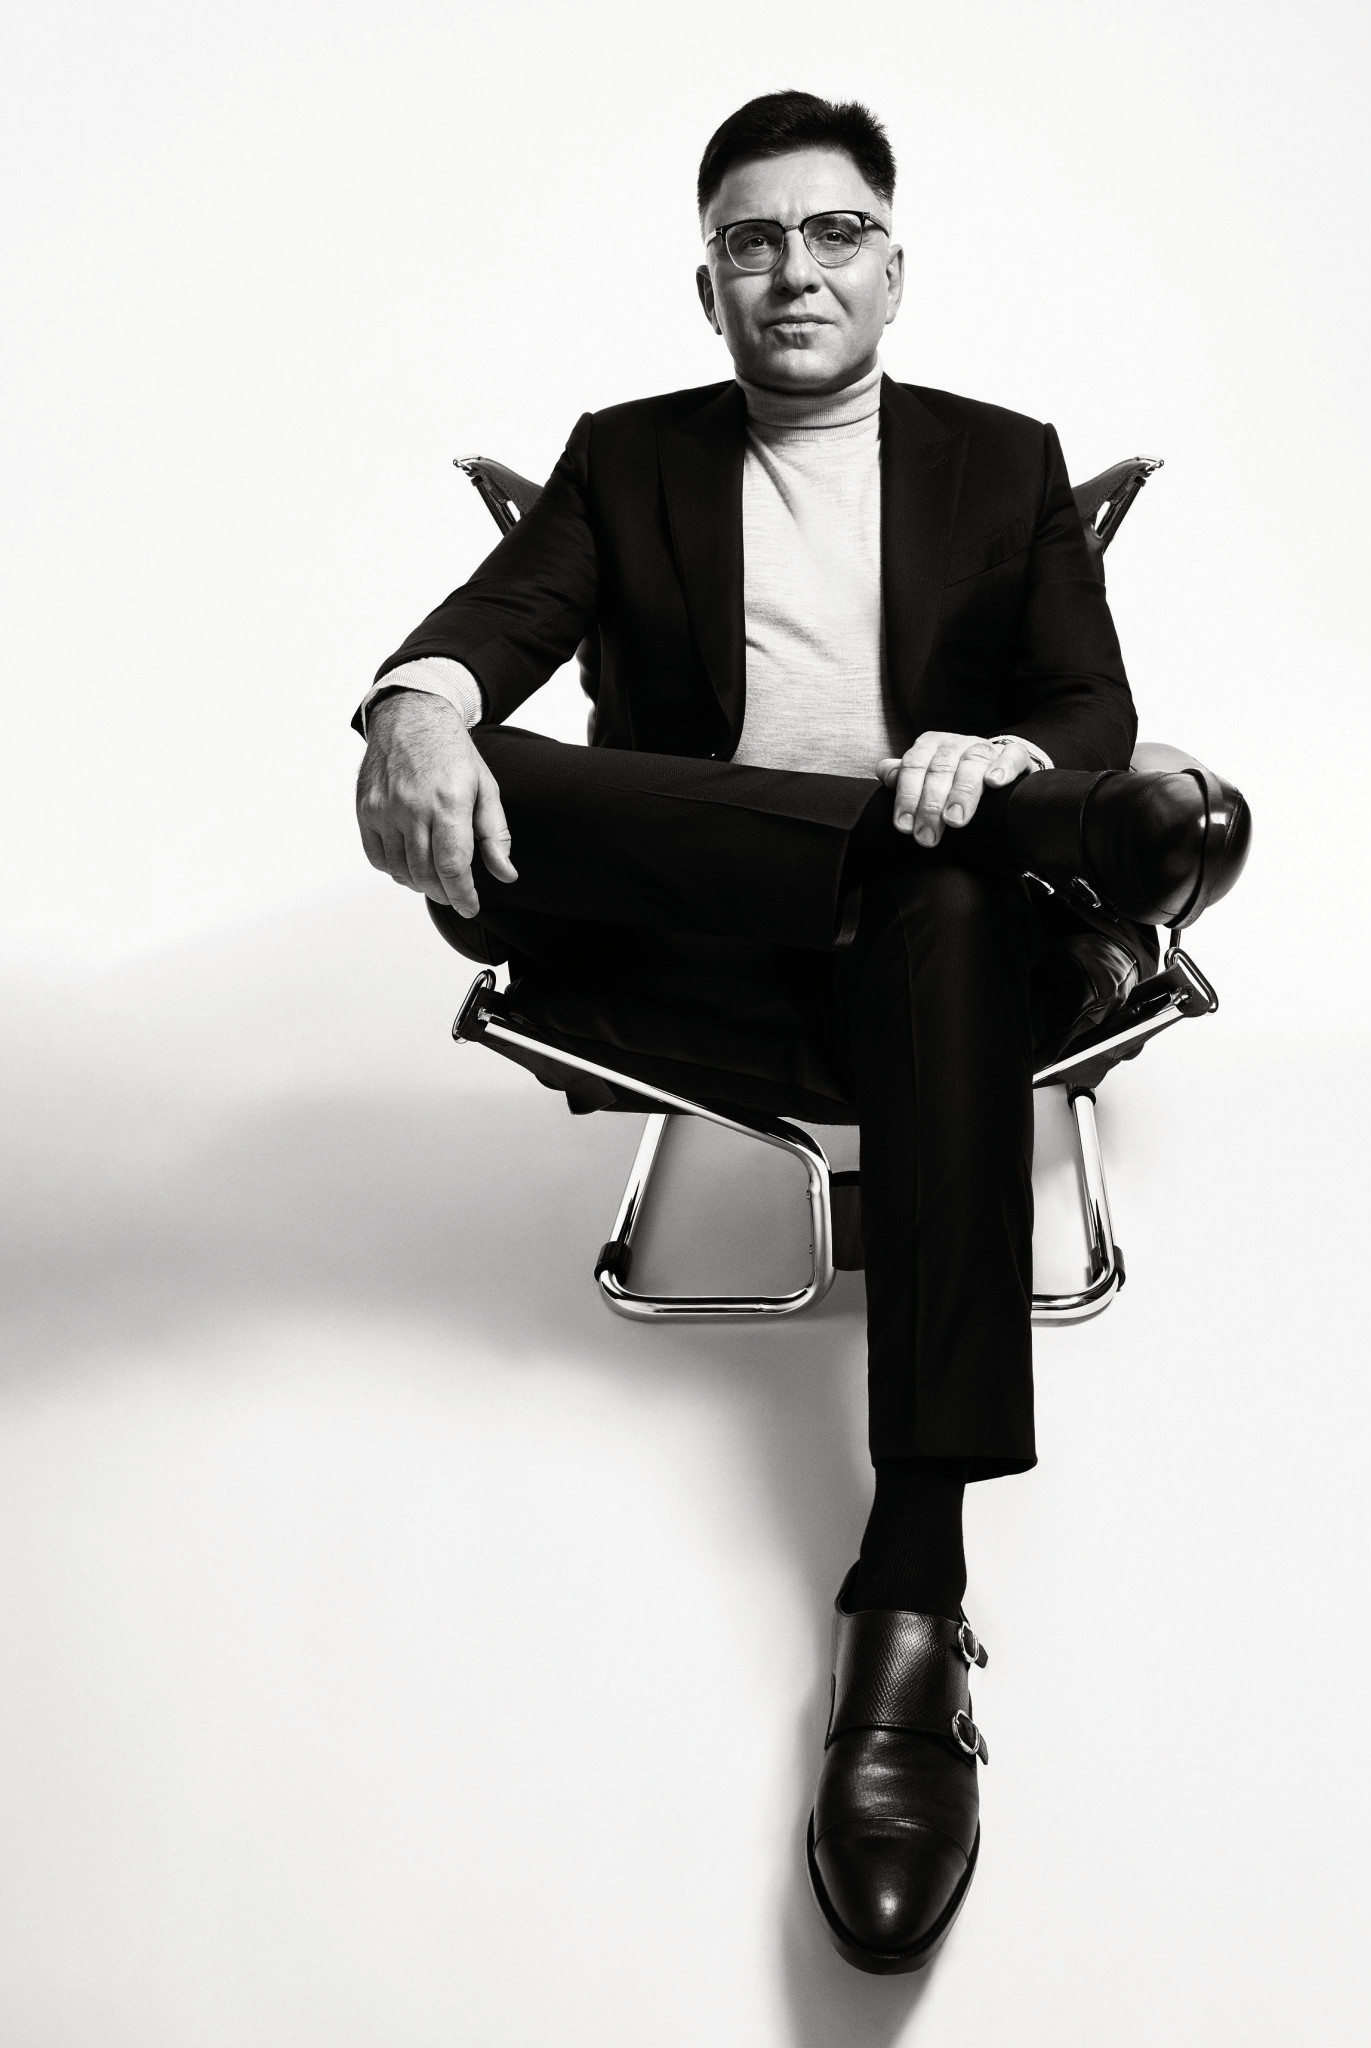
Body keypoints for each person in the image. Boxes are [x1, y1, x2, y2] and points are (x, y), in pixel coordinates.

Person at [353, 90, 1242, 1974]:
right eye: (750, 242)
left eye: (833, 234)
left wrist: (1008, 758)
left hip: (940, 962)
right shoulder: (628, 458)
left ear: (892, 269)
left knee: (947, 895)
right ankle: (1081, 846)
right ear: (709, 287)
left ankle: (909, 1594)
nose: (794, 271)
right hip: (698, 944)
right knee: (500, 769)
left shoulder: (1001, 462)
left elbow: (1086, 701)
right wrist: (416, 707)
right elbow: (498, 619)